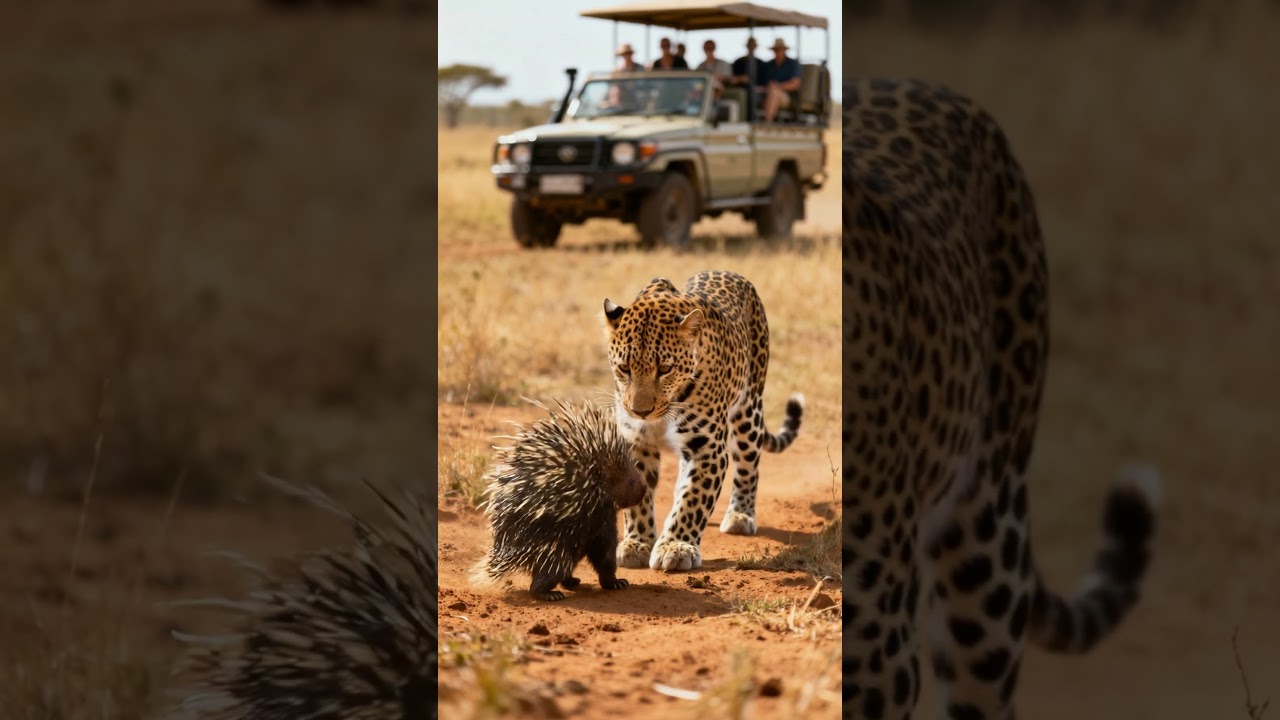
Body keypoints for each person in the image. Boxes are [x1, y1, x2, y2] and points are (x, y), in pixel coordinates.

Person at [761, 38, 802, 122]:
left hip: (786, 97)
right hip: (767, 93)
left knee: (774, 93)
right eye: (776, 50)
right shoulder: (769, 65)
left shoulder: (792, 64)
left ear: (784, 50)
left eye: (780, 50)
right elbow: (764, 83)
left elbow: (795, 84)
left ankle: (768, 122)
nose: (778, 52)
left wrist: (778, 86)